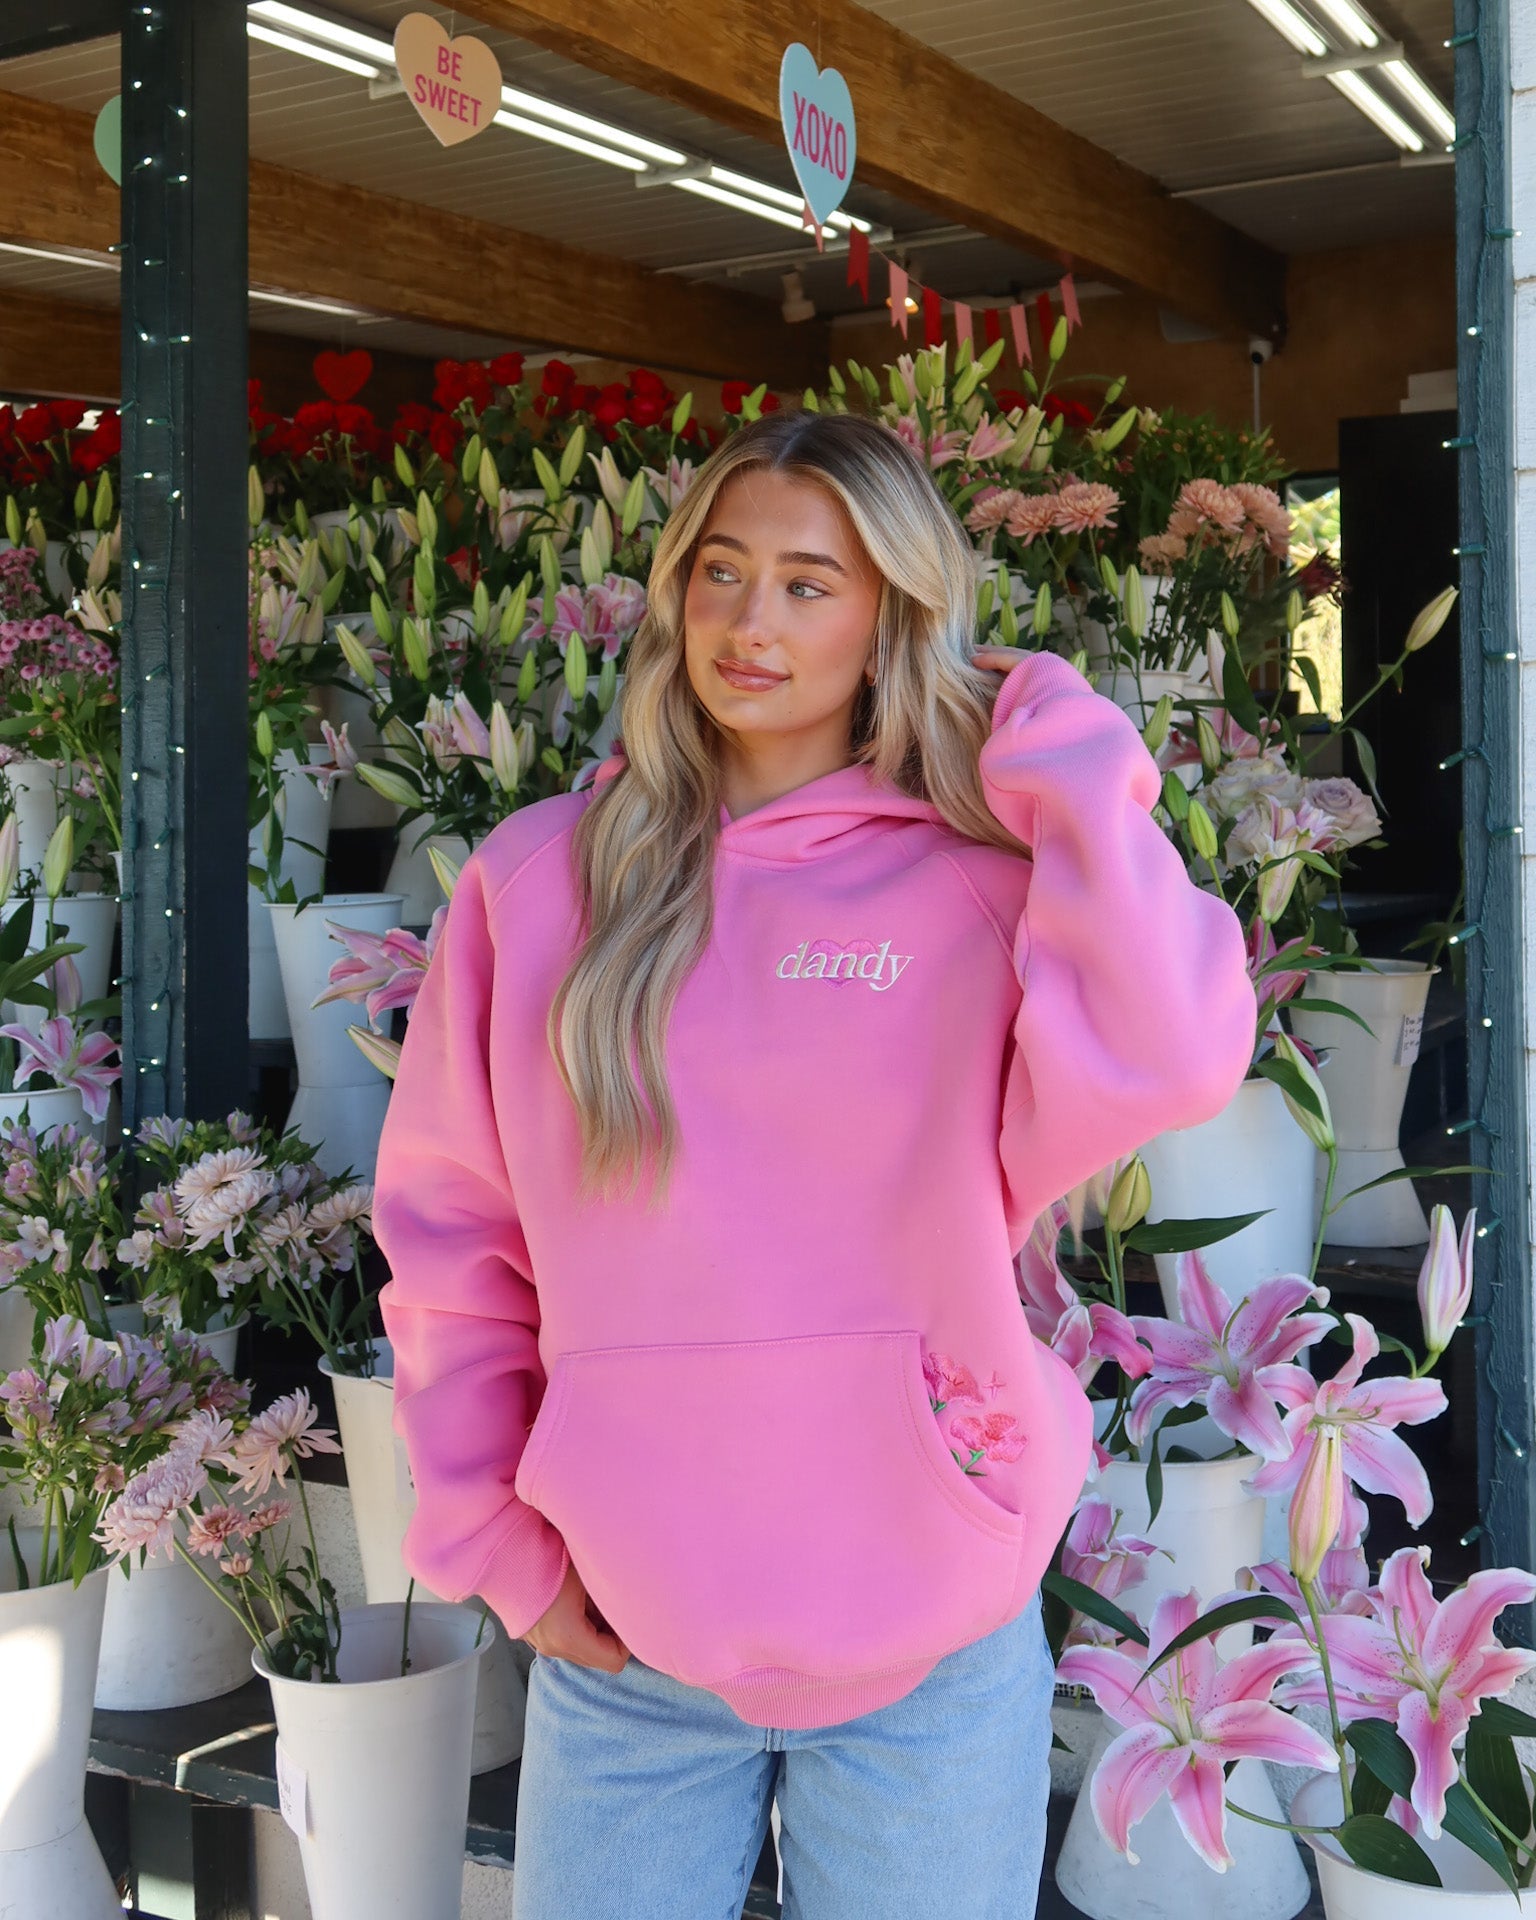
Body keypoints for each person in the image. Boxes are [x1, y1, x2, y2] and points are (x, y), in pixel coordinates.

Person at [371, 408, 1257, 1919]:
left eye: (807, 583)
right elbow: (454, 1236)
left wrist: (1053, 734)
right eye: (719, 572)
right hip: (633, 1644)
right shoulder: (538, 885)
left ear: (891, 611)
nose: (749, 623)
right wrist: (495, 1540)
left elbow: (1177, 1051)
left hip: (932, 1639)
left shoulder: (977, 887)